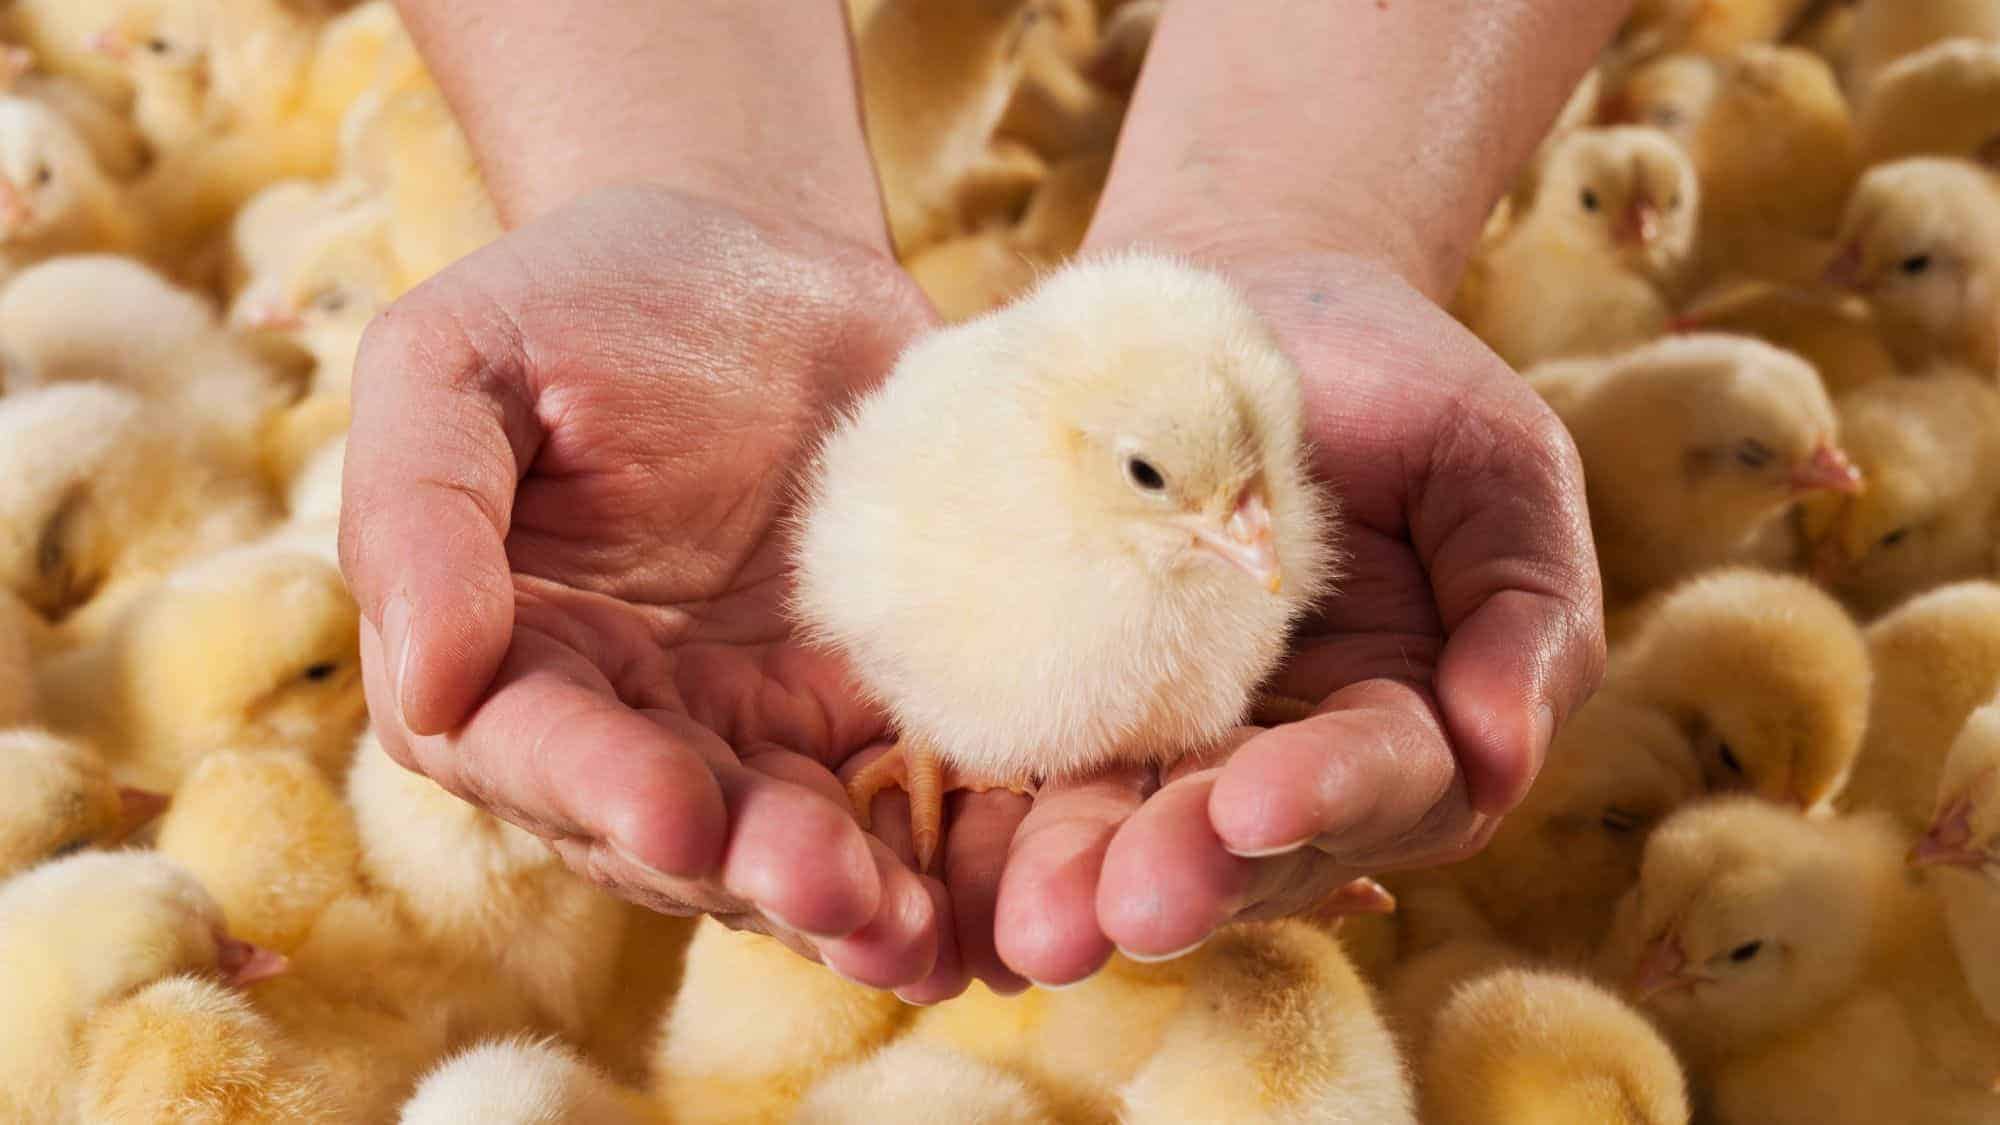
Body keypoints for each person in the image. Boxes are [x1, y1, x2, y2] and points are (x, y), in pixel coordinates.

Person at [340, 0, 1616, 1002]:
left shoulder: (1201, 461)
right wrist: (677, 186)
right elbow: (879, 547)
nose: (1253, 535)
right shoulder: (978, 497)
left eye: (1249, 496)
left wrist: (1302, 220)